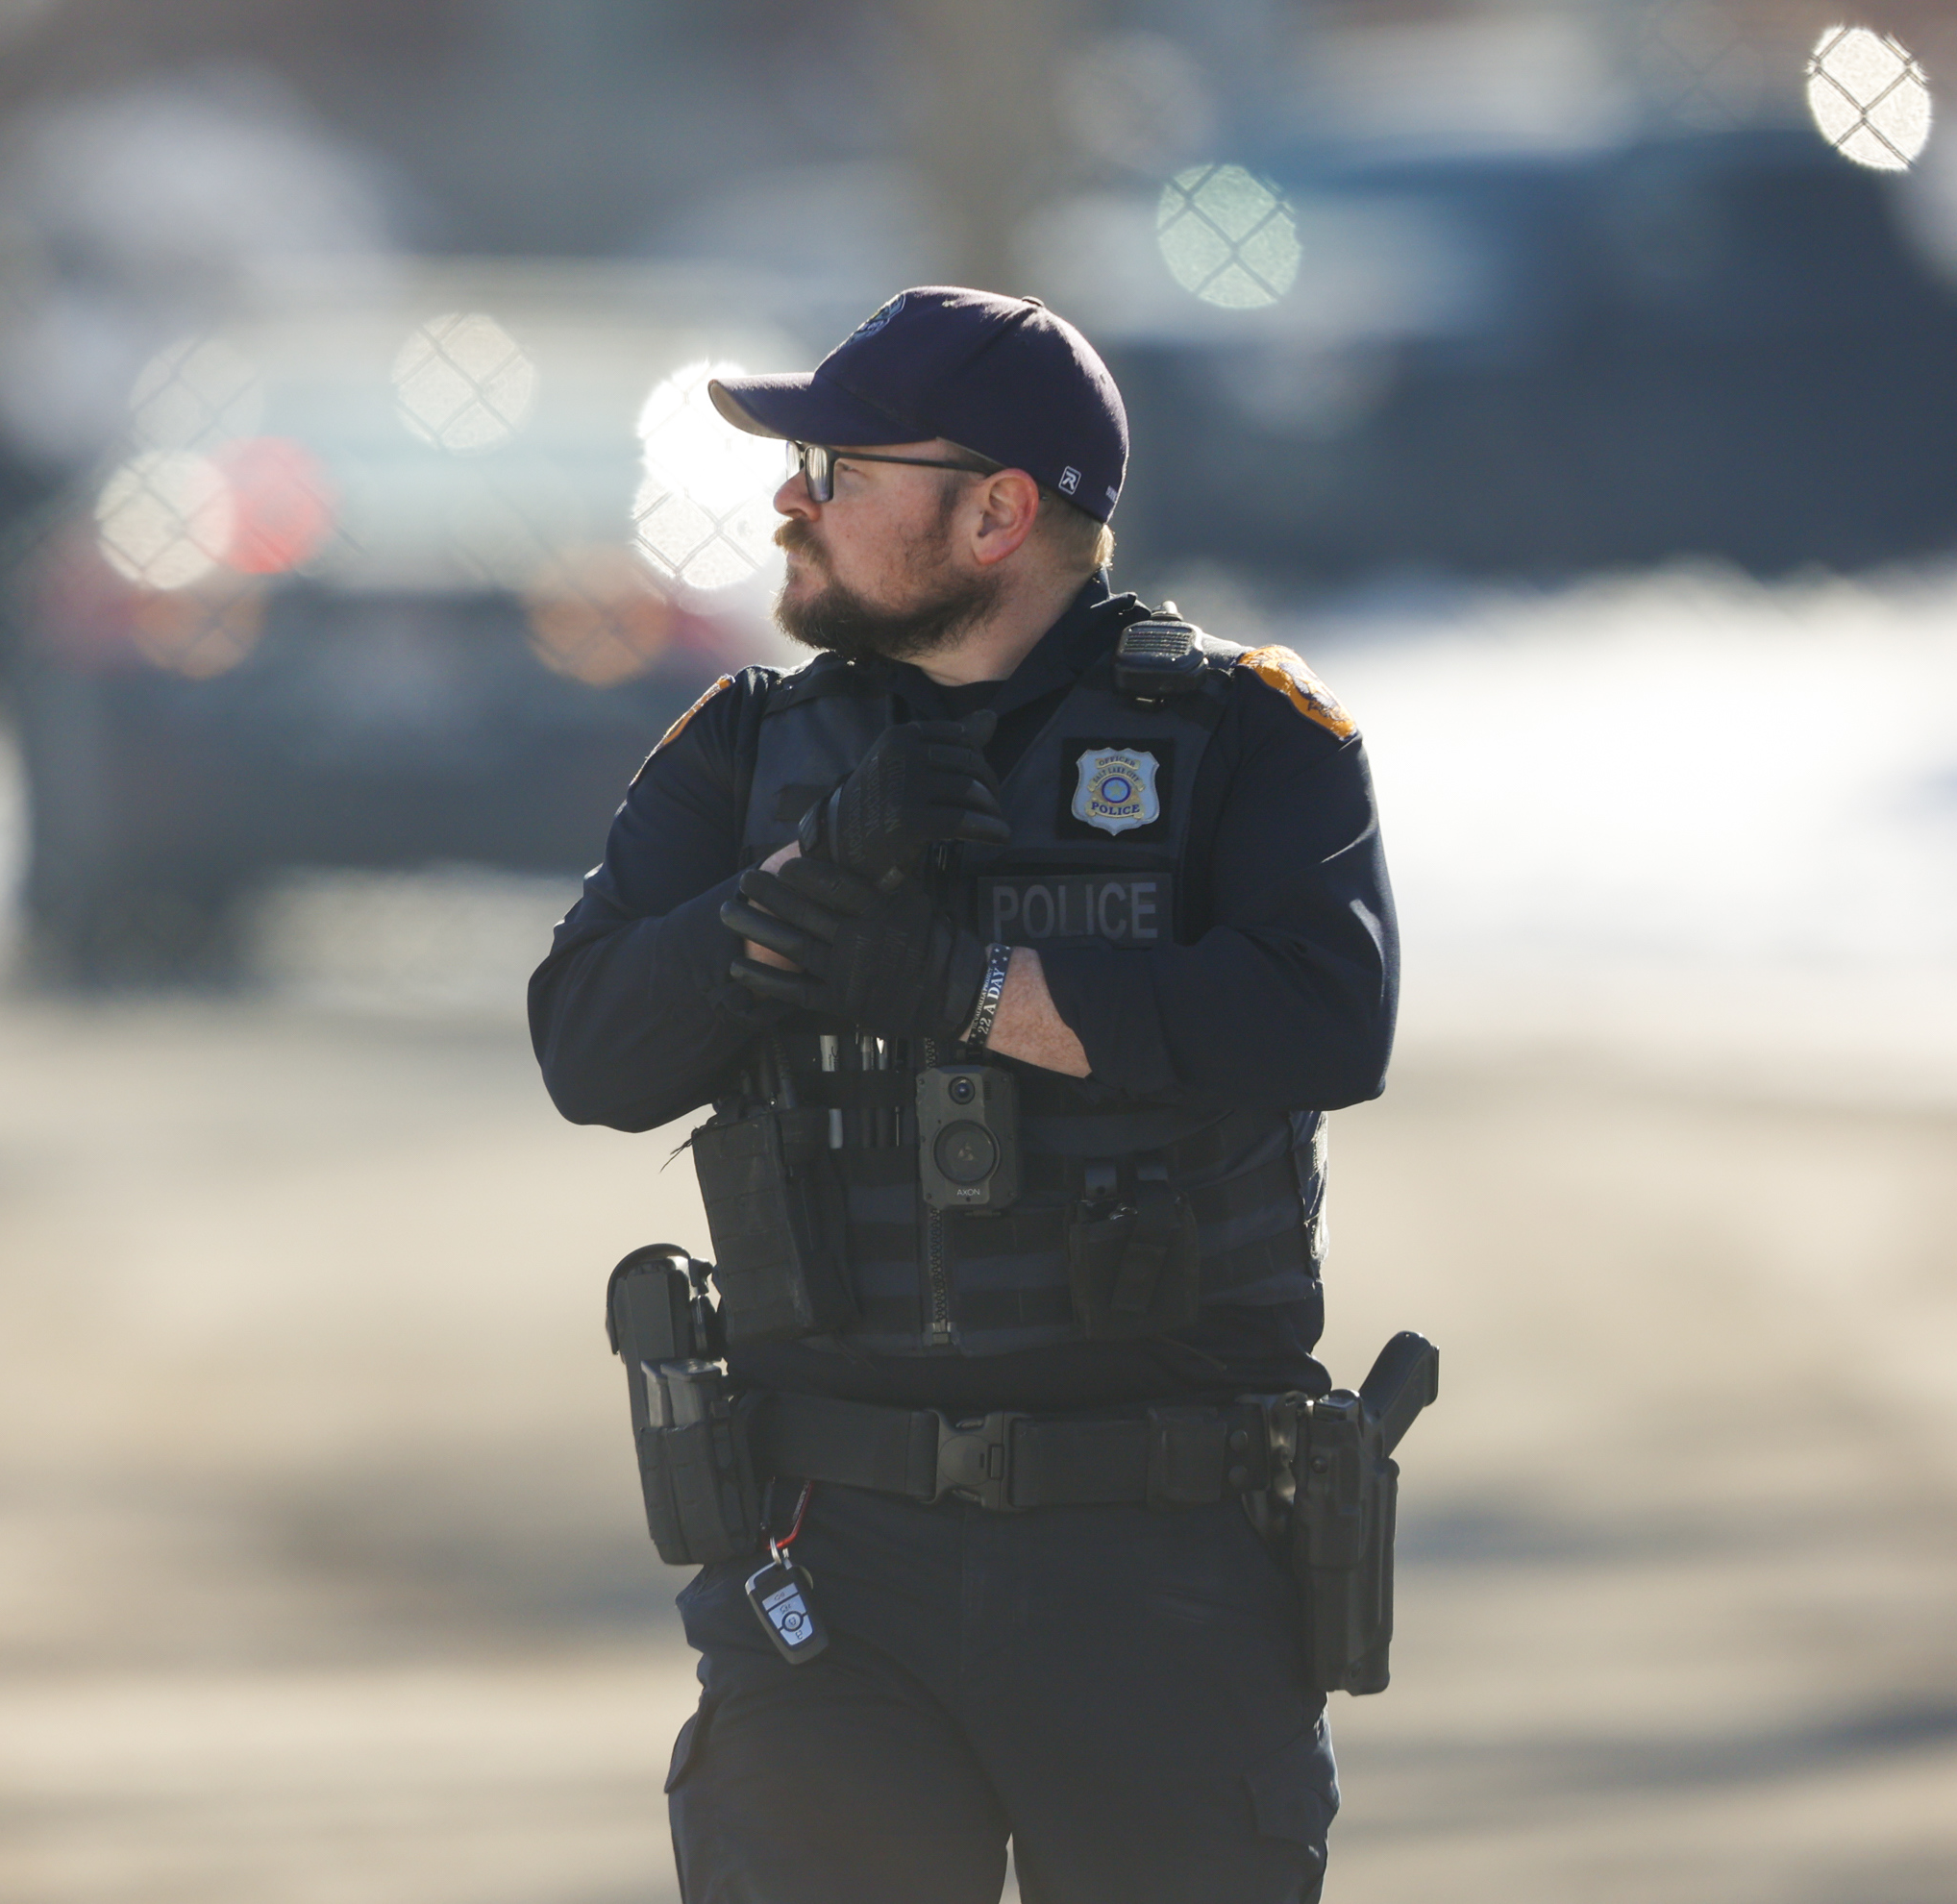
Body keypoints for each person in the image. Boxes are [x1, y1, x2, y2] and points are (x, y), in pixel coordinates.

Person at [528, 286, 1398, 1903]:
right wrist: (794, 897)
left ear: (997, 510)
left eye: (842, 467)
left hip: (1161, 1568)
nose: (792, 498)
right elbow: (588, 1044)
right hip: (833, 1570)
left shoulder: (1244, 739)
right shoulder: (746, 756)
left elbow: (1327, 1017)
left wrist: (965, 987)